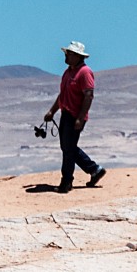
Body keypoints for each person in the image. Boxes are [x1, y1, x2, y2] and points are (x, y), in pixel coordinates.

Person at [42, 40, 106, 192]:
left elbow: (88, 96)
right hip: (66, 114)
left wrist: (80, 117)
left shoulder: (85, 72)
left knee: (68, 149)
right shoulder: (68, 72)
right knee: (67, 147)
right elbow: (62, 95)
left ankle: (66, 182)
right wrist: (52, 111)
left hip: (75, 116)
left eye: (69, 54)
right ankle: (95, 170)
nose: (66, 56)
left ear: (78, 56)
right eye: (66, 53)